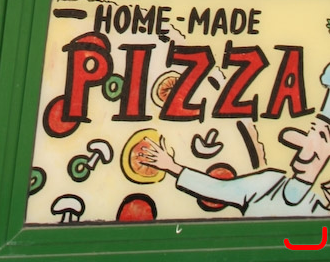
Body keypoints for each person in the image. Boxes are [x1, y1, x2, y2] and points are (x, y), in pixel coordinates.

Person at [138, 66, 330, 218]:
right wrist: (171, 166)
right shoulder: (268, 183)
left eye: (323, 137)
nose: (306, 144)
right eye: (312, 132)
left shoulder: (319, 206)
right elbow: (219, 189)